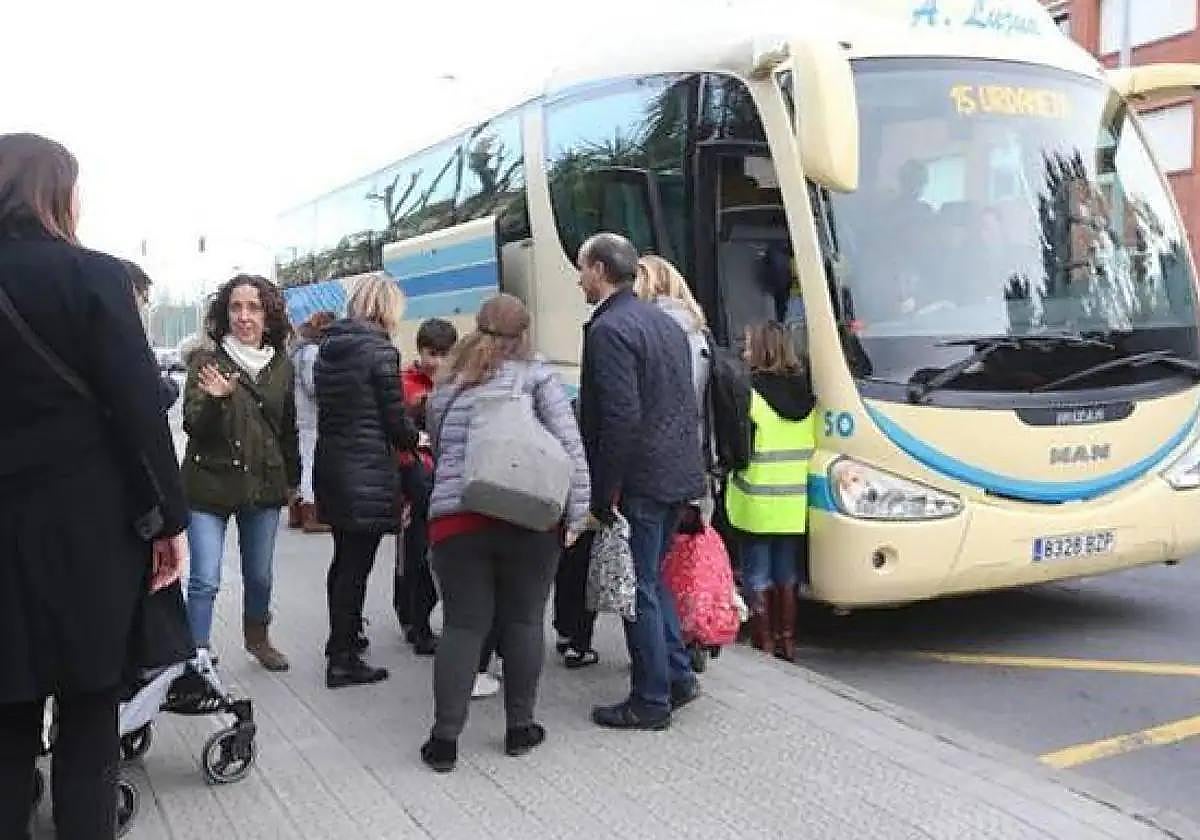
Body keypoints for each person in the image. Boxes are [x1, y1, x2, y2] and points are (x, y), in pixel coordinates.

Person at [0, 132, 188, 838]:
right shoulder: (95, 277)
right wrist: (170, 521)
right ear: (55, 191)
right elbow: (141, 411)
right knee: (89, 708)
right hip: (89, 529)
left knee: (6, 716)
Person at [421, 293, 590, 772]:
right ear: (524, 334)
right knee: (522, 622)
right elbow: (570, 447)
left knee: (462, 626)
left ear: (477, 326)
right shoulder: (538, 377)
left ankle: (444, 740)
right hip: (530, 518)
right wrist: (577, 514)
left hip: (458, 517)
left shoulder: (450, 381)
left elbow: (437, 441)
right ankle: (520, 729)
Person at [577, 232, 706, 731]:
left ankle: (650, 701)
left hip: (641, 480)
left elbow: (620, 417)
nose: (578, 278)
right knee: (652, 581)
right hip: (676, 473)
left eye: (583, 267)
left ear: (601, 271)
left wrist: (605, 491)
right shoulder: (662, 321)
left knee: (639, 590)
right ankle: (677, 677)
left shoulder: (609, 331)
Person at [182, 274, 300, 673]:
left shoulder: (281, 365)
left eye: (254, 307)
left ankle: (258, 638)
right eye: (236, 307)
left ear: (268, 316)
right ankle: (196, 654)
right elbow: (194, 425)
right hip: (208, 486)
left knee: (260, 576)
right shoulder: (207, 361)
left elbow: (288, 426)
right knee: (204, 578)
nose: (244, 316)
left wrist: (294, 481)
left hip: (263, 486)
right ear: (224, 313)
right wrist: (216, 402)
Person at [315, 275, 419, 688]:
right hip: (366, 469)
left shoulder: (330, 347)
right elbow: (394, 418)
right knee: (357, 566)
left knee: (343, 559)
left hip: (334, 464)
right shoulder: (380, 350)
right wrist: (417, 437)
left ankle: (341, 638)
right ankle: (343, 659)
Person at [725, 321, 815, 662]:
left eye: (748, 345)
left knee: (756, 574)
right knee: (787, 573)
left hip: (756, 501)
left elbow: (739, 447)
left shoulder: (749, 394)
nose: (744, 352)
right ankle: (787, 642)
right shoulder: (807, 396)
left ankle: (762, 646)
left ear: (761, 350)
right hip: (793, 503)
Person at [395, 317, 457, 656]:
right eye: (432, 354)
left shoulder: (457, 383)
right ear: (420, 351)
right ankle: (414, 623)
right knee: (414, 554)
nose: (438, 362)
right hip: (414, 480)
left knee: (436, 553)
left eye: (445, 354)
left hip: (444, 479)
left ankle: (418, 617)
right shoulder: (405, 384)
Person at [290, 309, 336, 533]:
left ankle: (297, 510)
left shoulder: (300, 349)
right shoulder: (311, 352)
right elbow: (313, 386)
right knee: (310, 463)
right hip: (312, 416)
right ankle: (310, 512)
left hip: (303, 414)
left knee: (306, 461)